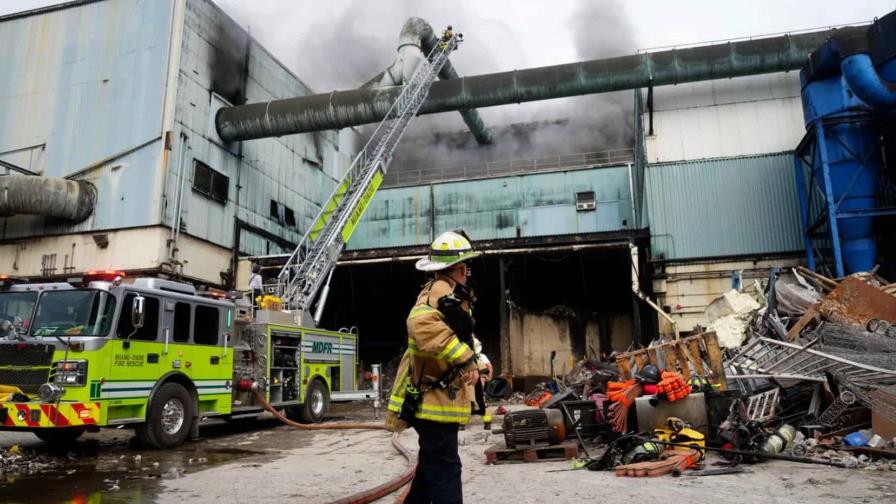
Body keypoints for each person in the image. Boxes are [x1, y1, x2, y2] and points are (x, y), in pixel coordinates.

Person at [386, 229, 481, 504]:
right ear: (460, 269)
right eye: (466, 268)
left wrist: (474, 359)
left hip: (436, 401)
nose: (468, 274)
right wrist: (464, 357)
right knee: (446, 468)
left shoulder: (449, 296)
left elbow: (454, 337)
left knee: (431, 467)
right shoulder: (435, 297)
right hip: (432, 402)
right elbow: (419, 324)